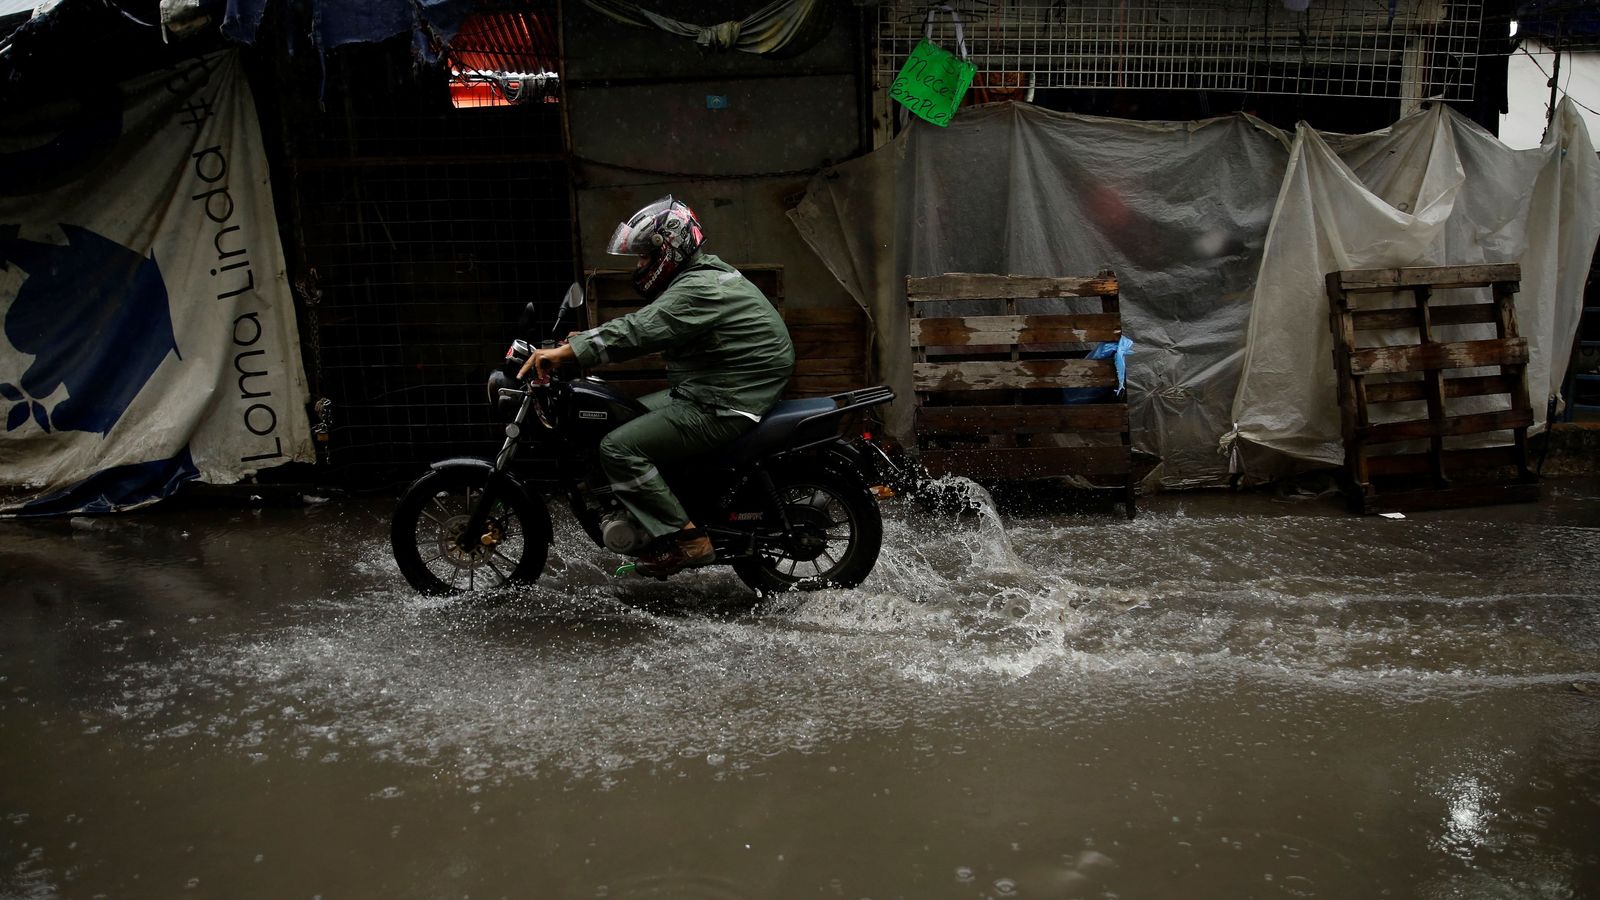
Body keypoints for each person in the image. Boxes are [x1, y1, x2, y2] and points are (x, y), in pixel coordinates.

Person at [519, 196, 795, 575]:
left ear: (670, 248)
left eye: (645, 256)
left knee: (618, 448)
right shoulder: (701, 276)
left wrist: (571, 352)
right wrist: (579, 342)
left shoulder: (698, 288)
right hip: (714, 386)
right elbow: (651, 323)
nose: (640, 265)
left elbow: (641, 329)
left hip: (726, 399)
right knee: (622, 417)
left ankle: (688, 540)